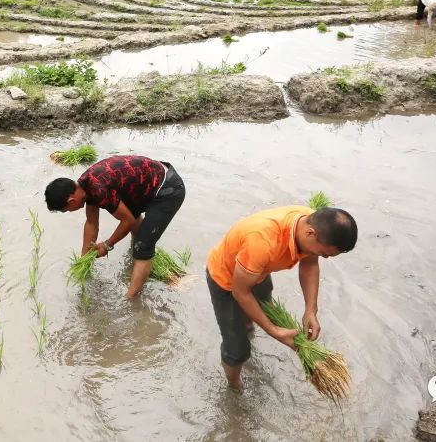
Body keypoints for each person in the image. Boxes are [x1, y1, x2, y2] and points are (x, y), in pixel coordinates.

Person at [205, 204, 357, 392]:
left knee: (259, 312)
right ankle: (234, 385)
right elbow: (240, 292)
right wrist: (272, 330)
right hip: (226, 281)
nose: (324, 258)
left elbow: (309, 264)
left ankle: (247, 327)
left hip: (256, 271)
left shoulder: (313, 222)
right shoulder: (262, 241)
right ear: (310, 234)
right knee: (237, 349)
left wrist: (311, 309)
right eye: (324, 253)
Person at [44, 155, 186, 298]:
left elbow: (128, 221)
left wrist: (107, 245)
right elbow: (91, 223)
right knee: (137, 232)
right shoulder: (84, 185)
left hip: (167, 189)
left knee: (142, 247)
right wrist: (84, 260)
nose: (69, 211)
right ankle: (136, 264)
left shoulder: (98, 189)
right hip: (147, 183)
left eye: (66, 210)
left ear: (71, 201)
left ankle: (131, 301)